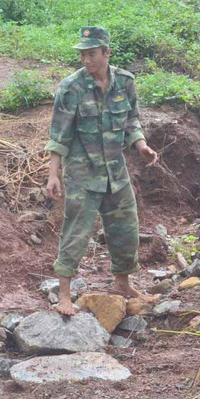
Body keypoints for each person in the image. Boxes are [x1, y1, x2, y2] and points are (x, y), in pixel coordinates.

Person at [44, 26, 159, 316]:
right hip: (83, 173)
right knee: (76, 231)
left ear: (107, 52)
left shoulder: (125, 82)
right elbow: (59, 136)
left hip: (116, 172)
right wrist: (53, 175)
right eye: (82, 54)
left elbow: (132, 120)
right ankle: (65, 295)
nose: (86, 60)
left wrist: (141, 145)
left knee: (125, 228)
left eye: (91, 54)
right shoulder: (70, 88)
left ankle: (122, 282)